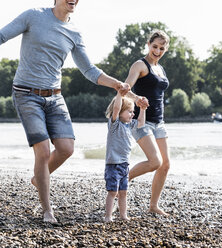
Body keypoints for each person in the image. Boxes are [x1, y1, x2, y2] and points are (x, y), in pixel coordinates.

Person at [0, 0, 147, 223]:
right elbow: (2, 35)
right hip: (26, 93)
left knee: (67, 149)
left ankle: (39, 177)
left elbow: (88, 70)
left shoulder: (74, 32)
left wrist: (116, 84)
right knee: (42, 151)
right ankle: (47, 209)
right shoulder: (33, 15)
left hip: (55, 96)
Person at [124, 30, 171, 215]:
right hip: (142, 121)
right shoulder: (140, 65)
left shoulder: (160, 68)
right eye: (154, 47)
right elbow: (125, 89)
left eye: (161, 48)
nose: (157, 51)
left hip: (159, 122)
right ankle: (121, 179)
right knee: (155, 162)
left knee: (165, 165)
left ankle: (153, 206)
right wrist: (136, 99)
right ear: (148, 44)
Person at [104, 92, 146, 222]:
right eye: (129, 111)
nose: (132, 114)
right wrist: (119, 94)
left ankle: (123, 215)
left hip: (125, 165)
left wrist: (143, 109)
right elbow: (116, 108)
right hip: (113, 165)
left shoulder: (129, 125)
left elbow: (141, 123)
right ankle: (108, 216)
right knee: (112, 192)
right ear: (120, 111)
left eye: (133, 111)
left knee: (123, 192)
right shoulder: (114, 124)